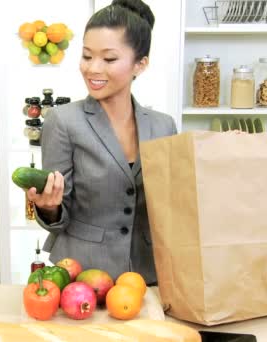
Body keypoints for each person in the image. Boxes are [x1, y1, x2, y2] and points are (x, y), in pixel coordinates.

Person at [26, 0, 176, 285]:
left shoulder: (163, 125)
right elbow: (59, 216)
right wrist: (48, 207)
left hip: (148, 275)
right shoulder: (63, 121)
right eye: (86, 56)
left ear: (140, 64)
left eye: (109, 59)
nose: (93, 69)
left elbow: (171, 206)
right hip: (81, 275)